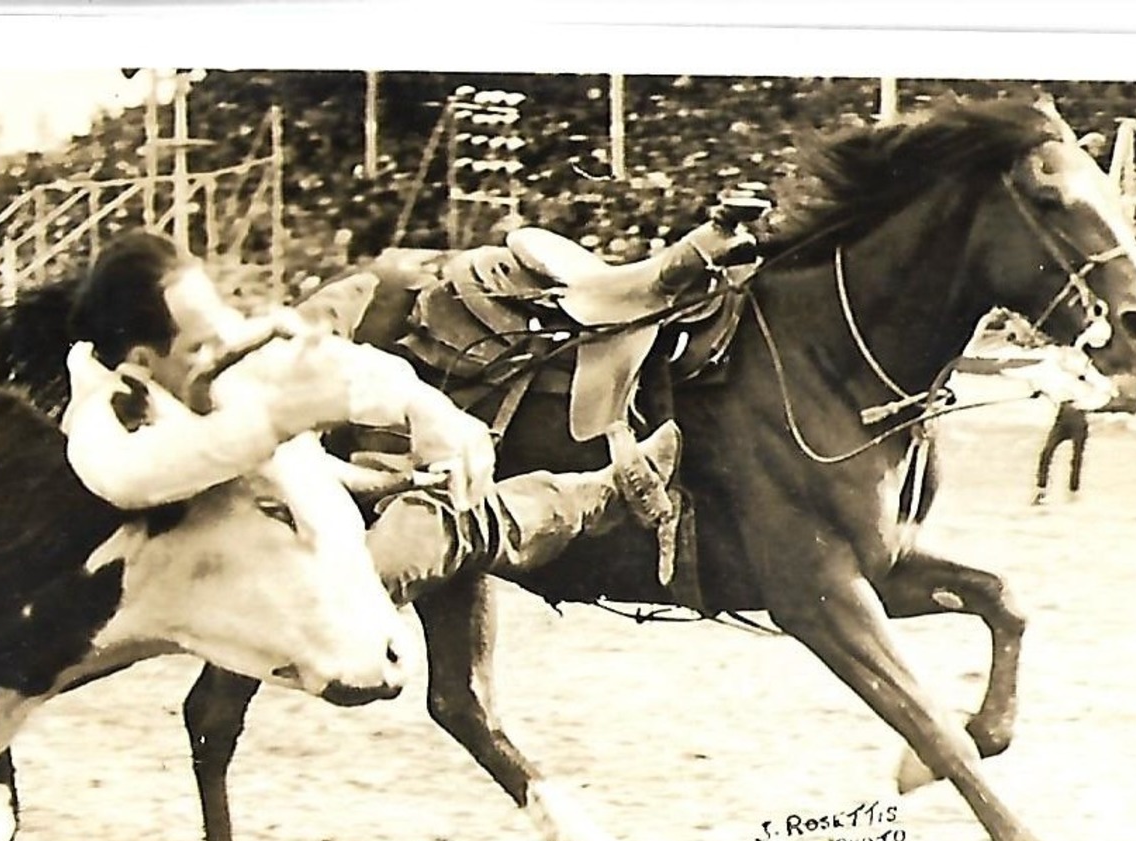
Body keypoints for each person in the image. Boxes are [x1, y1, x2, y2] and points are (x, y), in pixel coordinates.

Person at [61, 230, 679, 606]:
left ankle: (576, 495)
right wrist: (284, 416)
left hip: (298, 551)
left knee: (431, 490)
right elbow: (138, 475)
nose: (228, 341)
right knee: (445, 525)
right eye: (202, 341)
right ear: (142, 362)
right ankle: (594, 498)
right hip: (280, 595)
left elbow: (341, 369)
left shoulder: (216, 359)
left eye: (223, 317)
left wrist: (424, 410)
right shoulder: (100, 426)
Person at [1032, 398, 1090, 505]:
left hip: (1078, 422)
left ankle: (1073, 490)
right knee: (1046, 453)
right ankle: (1041, 488)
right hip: (1062, 420)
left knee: (1076, 457)